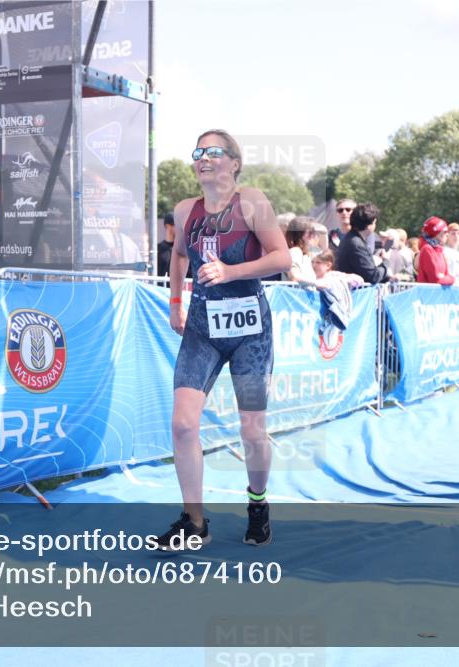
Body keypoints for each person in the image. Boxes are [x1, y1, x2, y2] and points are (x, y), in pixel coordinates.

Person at [161, 129, 290, 550]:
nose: (203, 158)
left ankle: (257, 504)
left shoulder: (251, 200)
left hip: (250, 329)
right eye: (198, 151)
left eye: (214, 151)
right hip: (203, 328)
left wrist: (230, 272)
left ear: (234, 163)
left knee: (252, 430)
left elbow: (281, 258)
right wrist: (176, 301)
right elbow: (179, 254)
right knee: (182, 425)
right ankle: (194, 520)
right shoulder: (185, 210)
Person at [335, 203, 390, 284]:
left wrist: (387, 278)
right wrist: (385, 261)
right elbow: (373, 277)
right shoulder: (357, 244)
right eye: (375, 223)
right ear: (369, 225)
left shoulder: (352, 239)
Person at [282, 216, 318, 283]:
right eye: (311, 231)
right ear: (299, 234)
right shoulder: (295, 251)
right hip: (296, 293)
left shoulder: (305, 254)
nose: (314, 234)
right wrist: (317, 283)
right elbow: (294, 276)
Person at [157, 212, 176, 277]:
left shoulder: (183, 249)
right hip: (160, 286)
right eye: (176, 225)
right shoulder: (158, 249)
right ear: (167, 226)